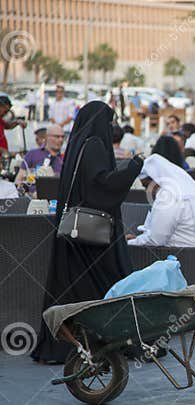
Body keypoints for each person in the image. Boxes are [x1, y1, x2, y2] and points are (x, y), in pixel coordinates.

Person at [32, 101, 143, 364]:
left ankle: (73, 343)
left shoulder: (79, 144)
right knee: (108, 286)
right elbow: (99, 187)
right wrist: (131, 170)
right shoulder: (94, 145)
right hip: (94, 238)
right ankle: (110, 341)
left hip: (77, 235)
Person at [127, 154, 195, 247]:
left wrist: (128, 243)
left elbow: (156, 240)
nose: (147, 191)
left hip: (180, 255)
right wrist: (138, 239)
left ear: (156, 179)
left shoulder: (169, 197)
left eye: (147, 186)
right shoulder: (186, 189)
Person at [17, 124, 65, 192]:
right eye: (57, 136)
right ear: (47, 137)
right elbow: (19, 180)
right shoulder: (32, 154)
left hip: (57, 197)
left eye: (62, 137)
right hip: (34, 198)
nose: (60, 140)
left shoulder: (65, 158)